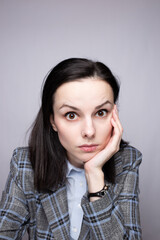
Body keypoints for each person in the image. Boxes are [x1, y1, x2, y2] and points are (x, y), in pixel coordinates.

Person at [0, 58, 142, 240]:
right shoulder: (25, 163)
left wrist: (95, 176)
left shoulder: (127, 162)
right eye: (71, 115)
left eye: (101, 112)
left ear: (114, 114)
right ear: (52, 121)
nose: (89, 131)